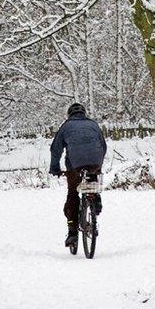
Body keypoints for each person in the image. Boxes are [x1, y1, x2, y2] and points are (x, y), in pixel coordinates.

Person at [49, 102, 107, 248]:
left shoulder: (66, 126)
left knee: (73, 194)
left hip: (75, 165)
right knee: (92, 174)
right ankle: (95, 198)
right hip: (95, 161)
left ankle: (72, 232)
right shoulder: (93, 124)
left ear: (70, 114)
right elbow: (103, 145)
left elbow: (56, 149)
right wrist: (98, 162)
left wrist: (55, 168)